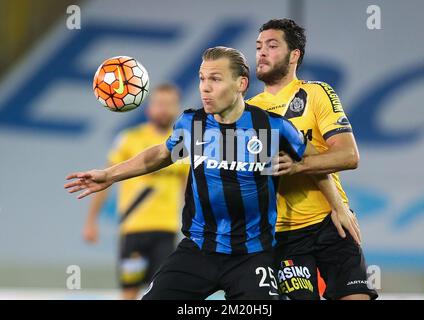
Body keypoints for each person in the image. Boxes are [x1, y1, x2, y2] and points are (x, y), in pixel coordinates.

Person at [65, 46, 351, 300]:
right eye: (202, 79)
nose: (205, 87)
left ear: (241, 83)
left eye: (215, 79)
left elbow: (317, 166)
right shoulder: (193, 124)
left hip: (252, 255)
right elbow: (162, 155)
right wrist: (110, 175)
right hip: (198, 250)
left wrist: (338, 207)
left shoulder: (273, 128)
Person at [247, 18, 378, 300]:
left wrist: (297, 166)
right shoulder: (248, 111)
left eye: (272, 45)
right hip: (284, 233)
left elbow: (348, 155)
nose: (261, 53)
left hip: (333, 222)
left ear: (294, 55)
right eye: (259, 47)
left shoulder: (316, 92)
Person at [82, 84, 188, 300]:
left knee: (164, 291)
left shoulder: (181, 144)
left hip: (166, 231)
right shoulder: (129, 139)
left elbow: (188, 189)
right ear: (149, 108)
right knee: (129, 291)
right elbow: (105, 180)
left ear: (177, 109)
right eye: (159, 104)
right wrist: (91, 221)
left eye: (169, 104)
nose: (164, 109)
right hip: (133, 230)